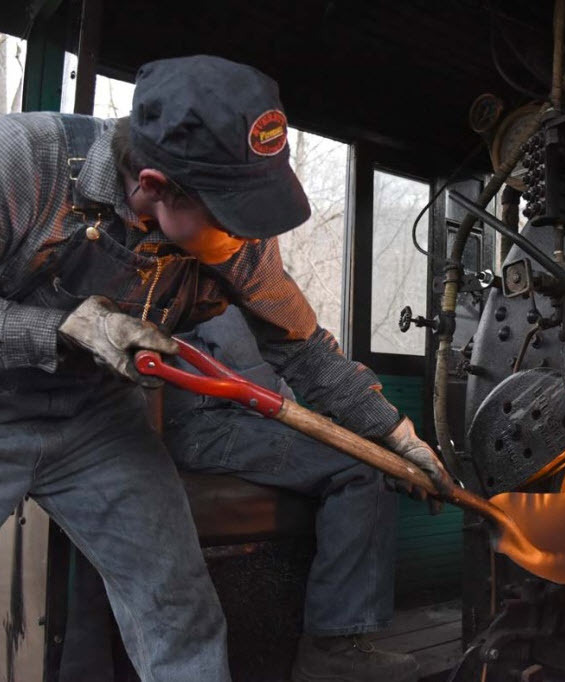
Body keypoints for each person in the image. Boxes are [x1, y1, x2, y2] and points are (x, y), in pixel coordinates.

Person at [0, 54, 450, 682]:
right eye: (233, 218)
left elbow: (303, 347)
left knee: (177, 610)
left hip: (97, 421)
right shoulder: (21, 162)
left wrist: (396, 435)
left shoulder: (236, 239)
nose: (250, 240)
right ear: (154, 186)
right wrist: (60, 327)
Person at [163, 305, 436, 681]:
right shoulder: (215, 272)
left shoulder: (254, 278)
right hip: (205, 423)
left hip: (238, 417)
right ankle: (330, 650)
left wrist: (392, 435)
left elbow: (302, 354)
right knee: (362, 468)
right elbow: (248, 366)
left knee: (364, 458)